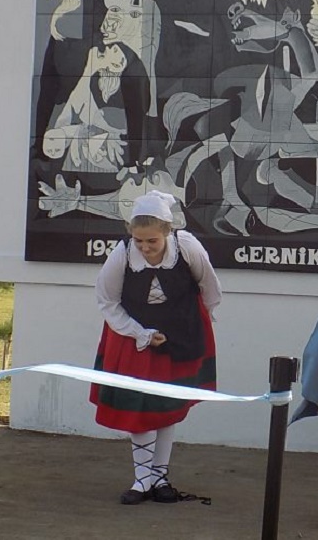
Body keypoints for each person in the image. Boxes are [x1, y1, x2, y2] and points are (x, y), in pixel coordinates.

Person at [89, 190, 222, 504]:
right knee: (141, 409)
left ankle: (159, 478)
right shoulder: (121, 254)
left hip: (179, 333)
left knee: (167, 407)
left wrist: (189, 328)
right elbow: (107, 302)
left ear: (167, 231)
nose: (145, 247)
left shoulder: (187, 247)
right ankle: (142, 481)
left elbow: (209, 288)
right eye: (139, 241)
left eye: (152, 241)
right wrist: (141, 334)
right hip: (133, 337)